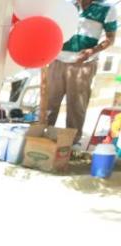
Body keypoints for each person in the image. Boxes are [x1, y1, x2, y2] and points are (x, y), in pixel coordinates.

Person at [44, 0, 117, 143]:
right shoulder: (65, 4)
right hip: (57, 59)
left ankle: (70, 144)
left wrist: (92, 51)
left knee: (76, 106)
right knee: (49, 104)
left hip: (83, 64)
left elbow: (110, 38)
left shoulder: (107, 8)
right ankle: (42, 139)